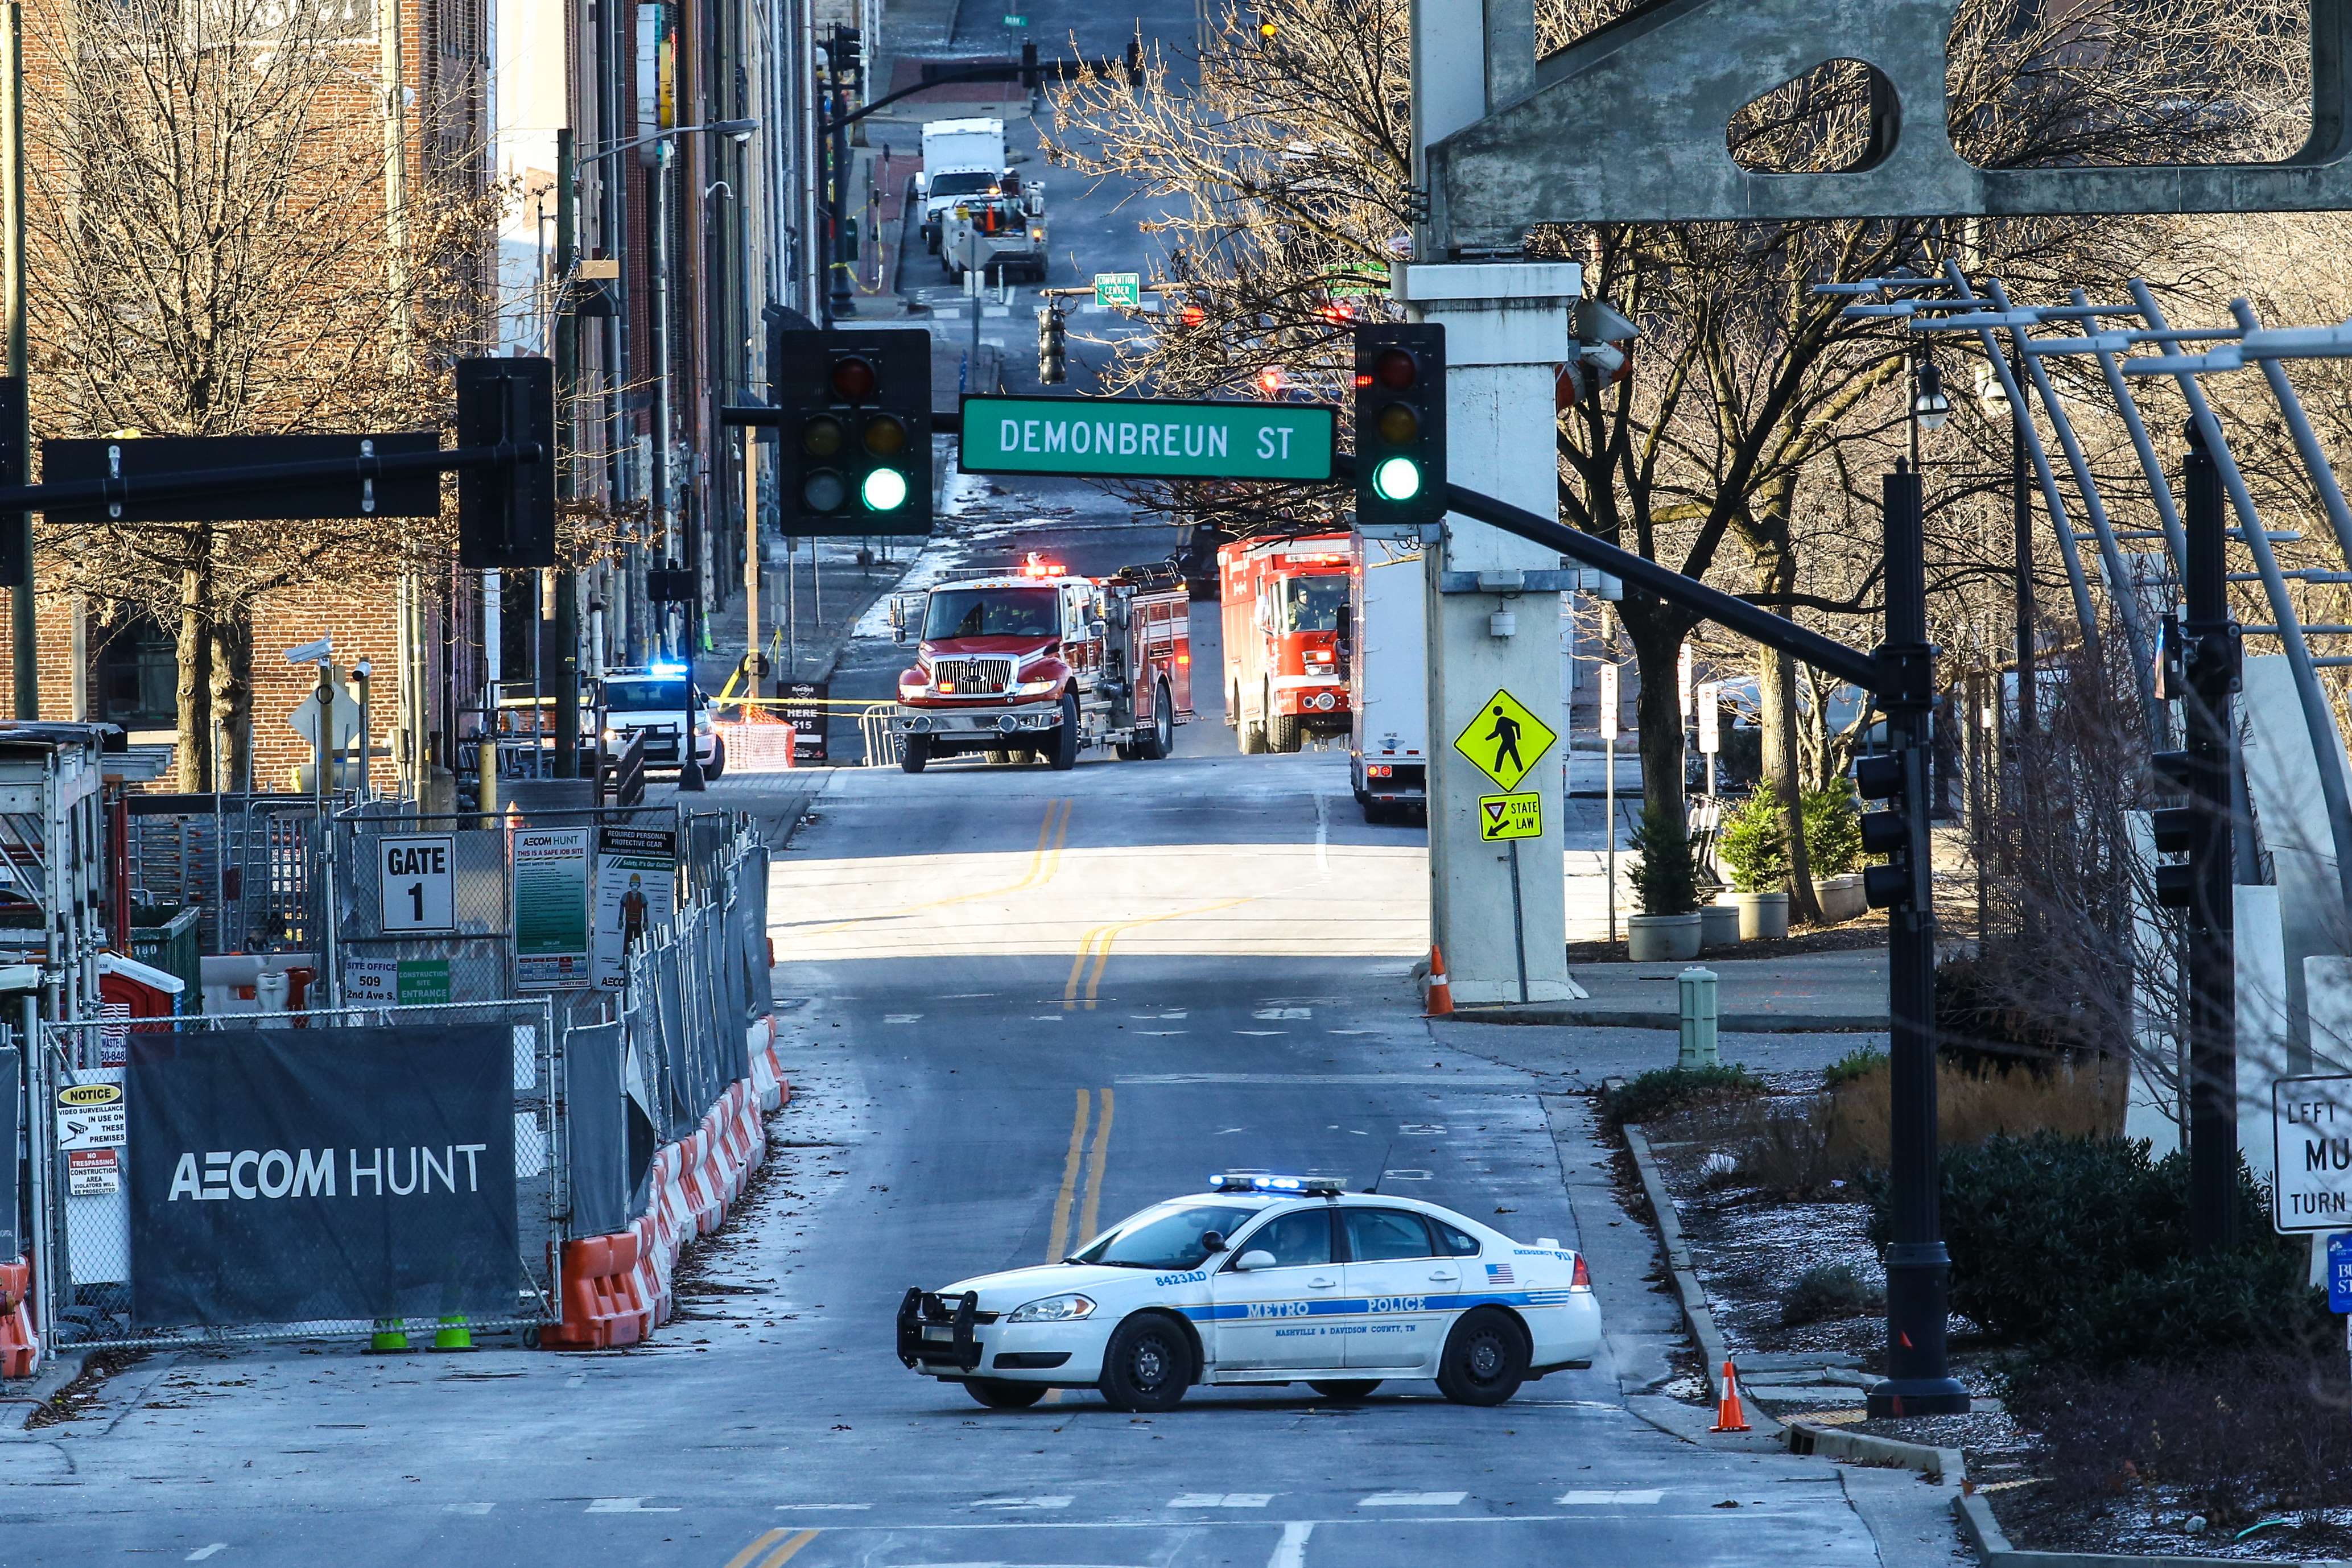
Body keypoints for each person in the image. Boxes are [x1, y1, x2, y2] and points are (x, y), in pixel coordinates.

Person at [1485, 704, 1523, 775]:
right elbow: (1497, 733)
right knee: (1514, 755)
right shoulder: (1501, 720)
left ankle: (1497, 772)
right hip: (1509, 741)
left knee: (1501, 754)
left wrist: (1519, 737)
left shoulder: (1502, 720)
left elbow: (1517, 725)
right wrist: (1487, 739)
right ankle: (1520, 770)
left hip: (1508, 741)